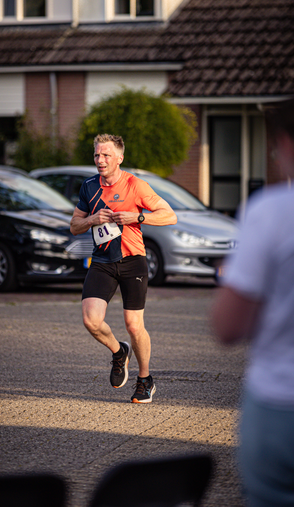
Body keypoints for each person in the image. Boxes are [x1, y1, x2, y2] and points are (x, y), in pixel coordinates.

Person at [211, 76, 294, 506]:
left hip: (286, 404)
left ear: (288, 142)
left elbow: (227, 327)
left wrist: (232, 280)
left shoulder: (272, 211)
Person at [70, 134, 177, 403]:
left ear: (119, 158)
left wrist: (137, 217)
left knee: (133, 324)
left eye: (106, 155)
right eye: (97, 155)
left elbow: (170, 215)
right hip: (102, 262)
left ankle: (145, 380)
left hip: (133, 261)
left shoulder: (135, 185)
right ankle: (119, 353)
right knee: (90, 320)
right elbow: (74, 226)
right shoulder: (89, 187)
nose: (100, 160)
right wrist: (92, 219)